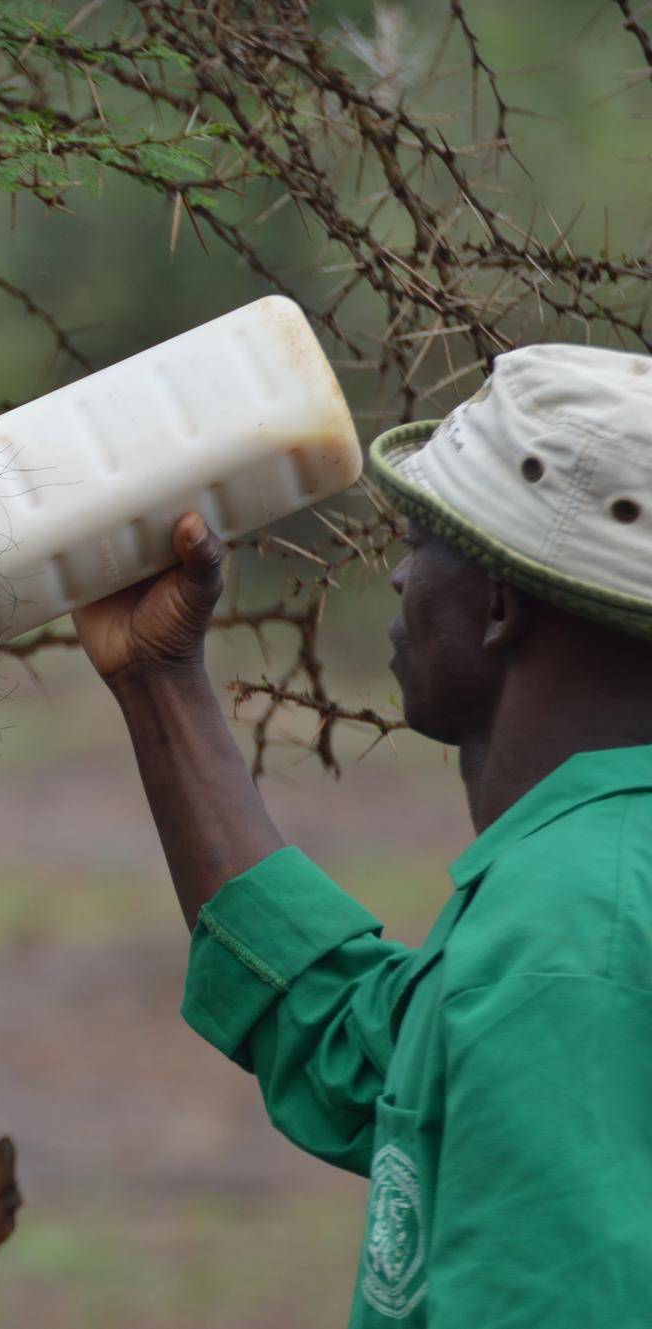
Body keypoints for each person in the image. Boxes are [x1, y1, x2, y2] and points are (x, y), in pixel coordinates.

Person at [74, 343, 652, 1325]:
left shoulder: (568, 936)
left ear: (500, 606)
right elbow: (376, 1060)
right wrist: (158, 679)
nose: (394, 577)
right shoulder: (584, 881)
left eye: (425, 541)